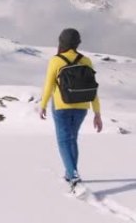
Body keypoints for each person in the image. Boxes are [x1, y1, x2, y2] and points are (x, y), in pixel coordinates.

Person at [39, 28, 102, 188]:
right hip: (82, 106)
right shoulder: (86, 60)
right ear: (77, 43)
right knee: (72, 139)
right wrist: (97, 113)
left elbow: (49, 85)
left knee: (64, 140)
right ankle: (69, 173)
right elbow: (93, 88)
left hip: (62, 106)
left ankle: (73, 176)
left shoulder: (56, 60)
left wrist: (43, 104)